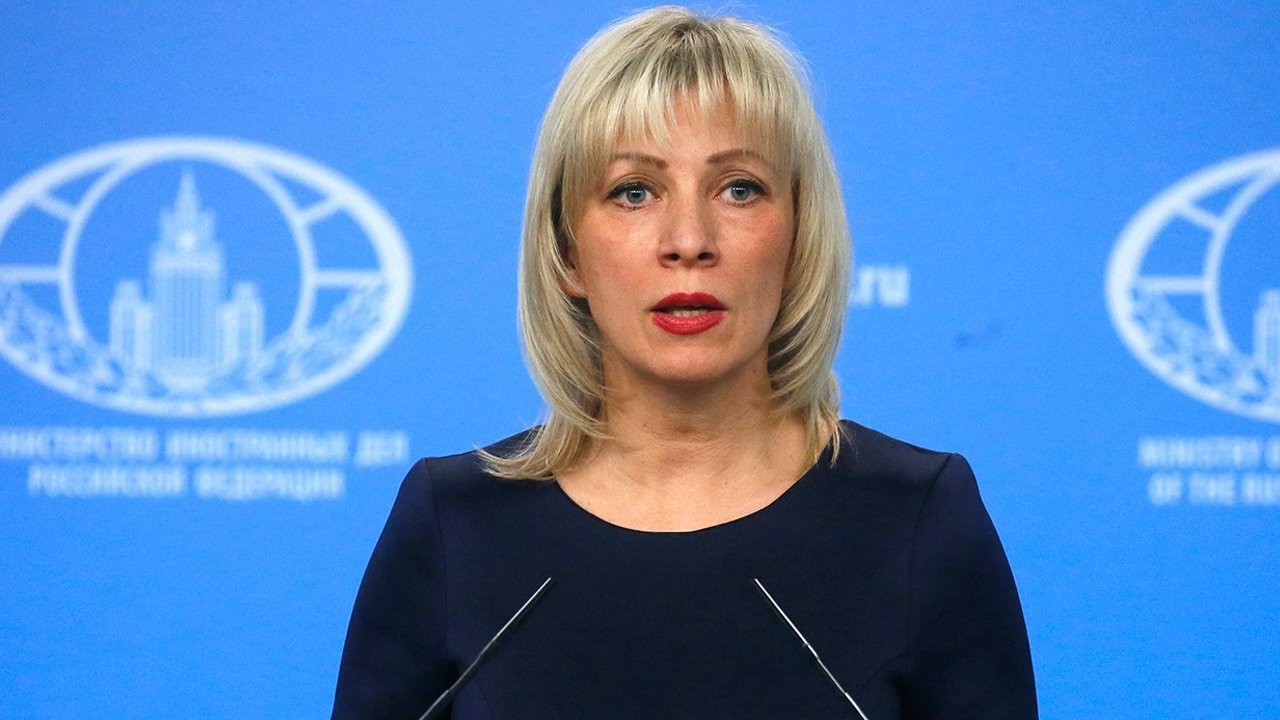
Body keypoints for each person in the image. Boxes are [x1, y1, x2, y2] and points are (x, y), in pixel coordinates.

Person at [332, 6, 1037, 719]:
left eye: (739, 189)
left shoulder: (918, 518)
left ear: (799, 238)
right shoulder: (454, 524)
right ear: (566, 251)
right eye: (633, 192)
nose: (689, 239)